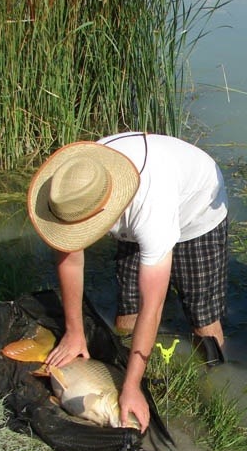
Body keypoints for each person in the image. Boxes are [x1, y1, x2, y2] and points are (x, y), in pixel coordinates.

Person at [27, 132, 228, 432]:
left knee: (201, 316)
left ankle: (217, 382)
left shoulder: (151, 213)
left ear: (104, 212)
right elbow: (70, 256)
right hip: (134, 209)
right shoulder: (70, 188)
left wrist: (131, 387)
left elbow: (154, 307)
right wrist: (74, 331)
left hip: (196, 213)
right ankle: (129, 361)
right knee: (127, 311)